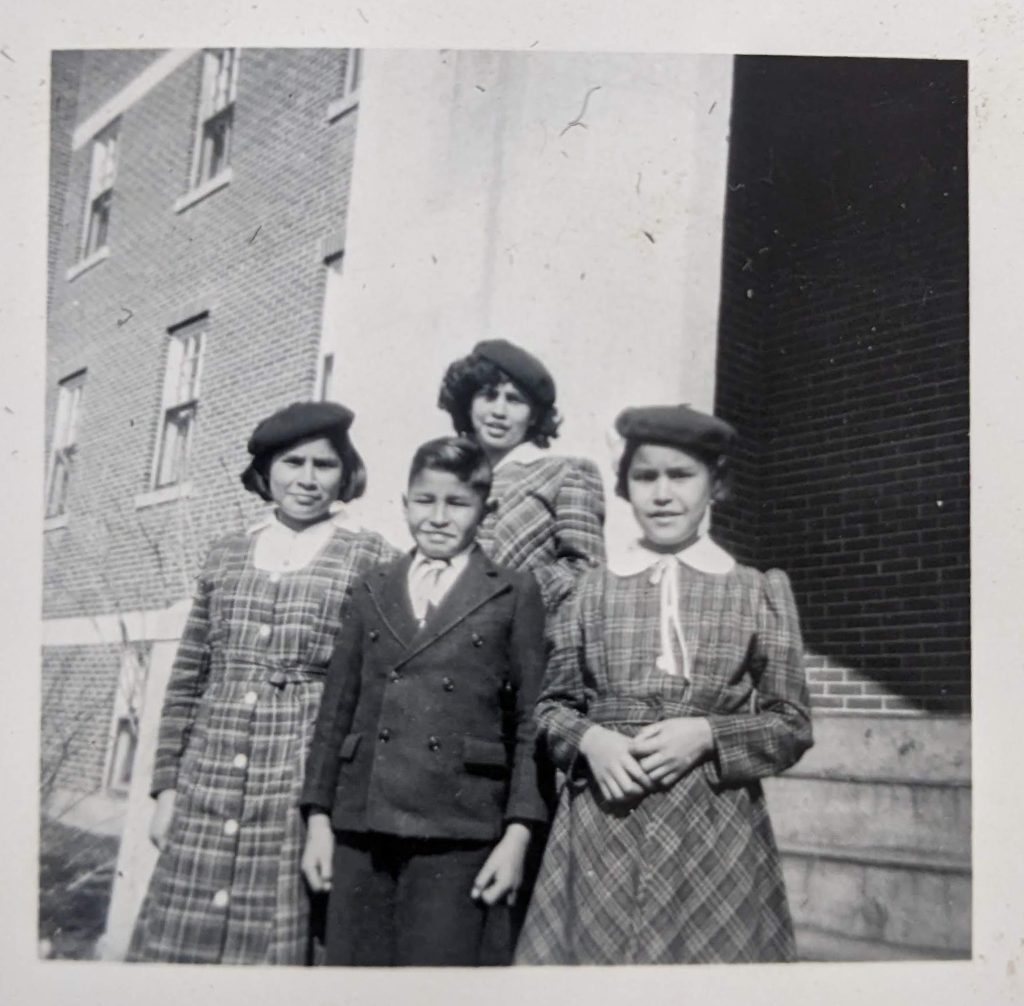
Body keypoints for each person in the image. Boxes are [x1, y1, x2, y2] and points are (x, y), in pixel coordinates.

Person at [516, 404, 814, 964]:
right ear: (625, 487)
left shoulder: (755, 590)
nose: (662, 493)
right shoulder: (587, 592)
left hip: (713, 829)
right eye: (645, 476)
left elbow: (791, 724)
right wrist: (590, 742)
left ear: (716, 486)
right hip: (604, 818)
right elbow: (550, 707)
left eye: (681, 476)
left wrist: (707, 735)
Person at [128, 401, 396, 965]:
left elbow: (377, 687)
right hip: (209, 773)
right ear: (265, 473)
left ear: (345, 472)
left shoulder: (371, 555)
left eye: (323, 465)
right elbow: (187, 679)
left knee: (275, 941)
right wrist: (168, 789)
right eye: (292, 463)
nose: (306, 479)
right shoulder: (226, 552)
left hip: (299, 771)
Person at [300, 436, 548, 967]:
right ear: (405, 502)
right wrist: (318, 819)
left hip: (458, 829)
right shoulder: (372, 586)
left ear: (485, 508)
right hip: (363, 824)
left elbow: (531, 721)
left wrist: (518, 835)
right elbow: (335, 710)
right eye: (425, 500)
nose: (438, 517)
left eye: (457, 503)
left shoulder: (513, 590)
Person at [437, 339, 606, 613]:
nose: (499, 412)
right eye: (489, 396)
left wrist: (508, 594)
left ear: (533, 416)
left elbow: (586, 571)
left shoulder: (564, 472)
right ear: (468, 404)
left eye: (514, 400)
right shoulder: (451, 479)